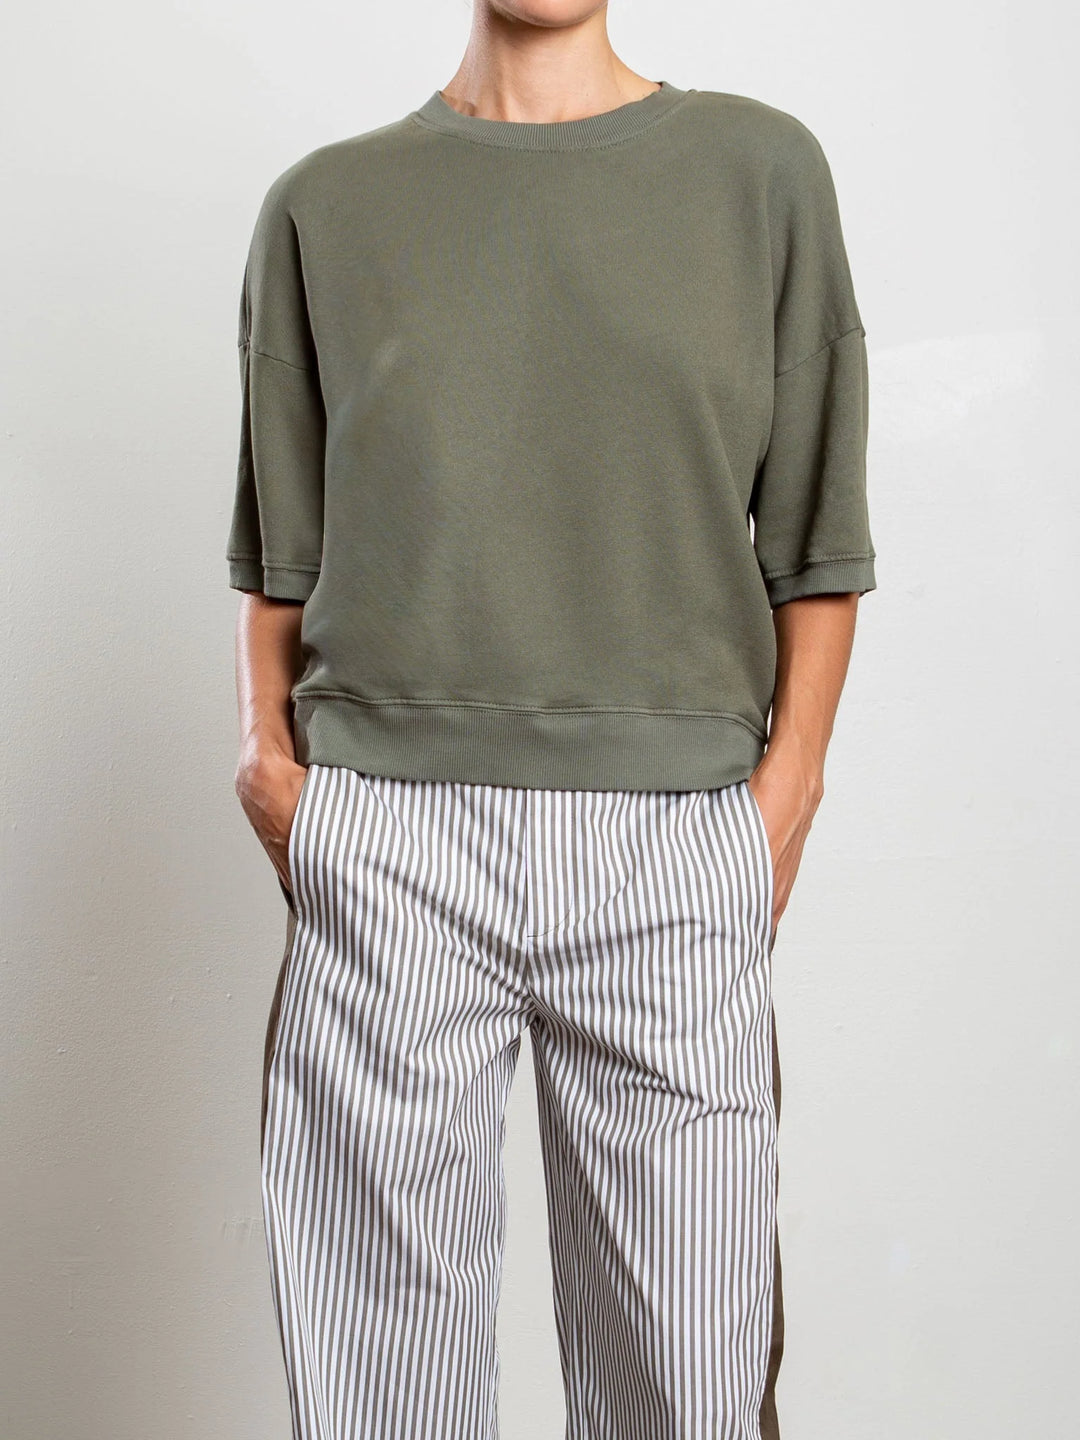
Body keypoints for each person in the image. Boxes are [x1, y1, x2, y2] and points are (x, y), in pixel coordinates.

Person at [228, 7, 876, 1439]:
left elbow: (817, 542)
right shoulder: (324, 206)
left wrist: (783, 801)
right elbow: (279, 557)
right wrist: (276, 775)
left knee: (691, 1386)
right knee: (381, 1396)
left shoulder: (760, 176)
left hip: (674, 840)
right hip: (387, 840)